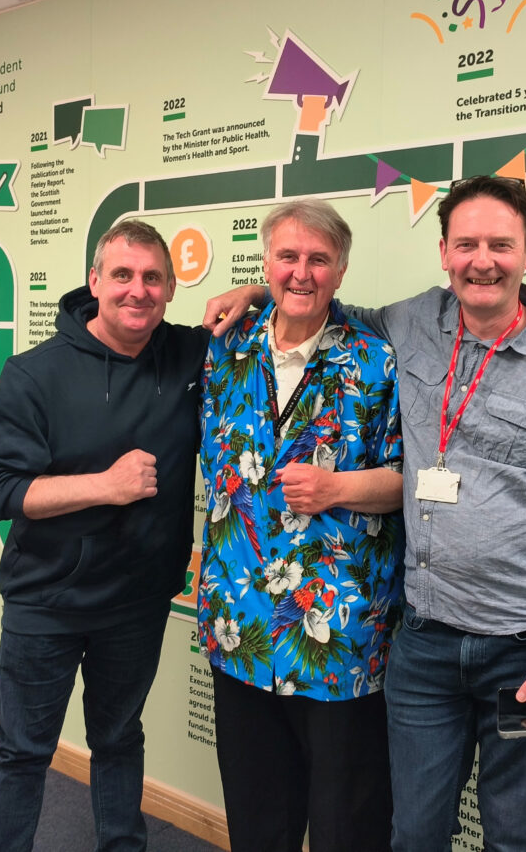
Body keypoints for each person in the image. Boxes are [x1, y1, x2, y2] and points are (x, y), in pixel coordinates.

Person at [205, 176, 526, 852]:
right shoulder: (411, 324)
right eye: (467, 243)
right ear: (443, 252)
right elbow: (315, 305)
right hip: (424, 646)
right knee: (412, 834)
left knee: (513, 833)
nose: (482, 259)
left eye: (499, 244)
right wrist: (260, 291)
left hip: (519, 652)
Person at [0, 219, 209, 852]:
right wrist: (104, 485)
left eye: (153, 277)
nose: (137, 290)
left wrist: (255, 294)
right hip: (47, 602)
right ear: (94, 281)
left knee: (120, 739)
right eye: (122, 275)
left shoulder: (187, 355)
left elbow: (289, 295)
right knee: (22, 752)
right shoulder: (34, 373)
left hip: (137, 604)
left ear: (171, 288)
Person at [197, 198, 403, 852]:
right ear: (266, 263)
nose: (302, 272)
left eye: (319, 259)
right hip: (241, 627)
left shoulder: (377, 360)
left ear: (341, 271)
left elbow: (410, 482)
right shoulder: (225, 350)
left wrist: (337, 488)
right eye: (287, 257)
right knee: (258, 817)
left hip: (338, 637)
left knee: (349, 822)